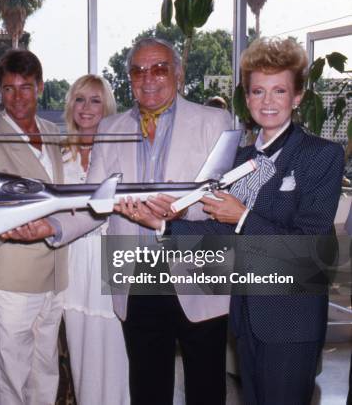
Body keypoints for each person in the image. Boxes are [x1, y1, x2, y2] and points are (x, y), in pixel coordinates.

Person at [6, 37, 233, 405]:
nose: (148, 79)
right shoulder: (111, 128)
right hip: (137, 280)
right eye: (138, 71)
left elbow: (223, 202)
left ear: (177, 73)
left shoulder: (214, 121)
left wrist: (175, 213)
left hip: (199, 274)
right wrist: (53, 227)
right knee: (146, 390)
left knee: (206, 390)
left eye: (159, 68)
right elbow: (96, 202)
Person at [130, 37, 344, 405]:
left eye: (279, 91)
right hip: (246, 320)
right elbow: (220, 230)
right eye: (258, 91)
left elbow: (312, 252)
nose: (268, 101)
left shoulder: (321, 155)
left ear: (297, 97)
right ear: (247, 99)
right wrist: (164, 226)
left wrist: (243, 217)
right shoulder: (240, 158)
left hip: (290, 323)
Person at [0, 49, 67, 405]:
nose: (18, 98)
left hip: (57, 272)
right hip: (13, 274)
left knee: (46, 369)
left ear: (41, 87)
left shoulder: (54, 132)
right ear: (1, 92)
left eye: (26, 88)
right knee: (12, 374)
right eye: (9, 89)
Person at [59, 74, 129, 405]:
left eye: (95, 100)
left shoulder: (124, 150)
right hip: (74, 264)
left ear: (108, 107)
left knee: (117, 349)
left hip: (112, 258)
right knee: (81, 346)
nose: (86, 108)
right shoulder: (58, 155)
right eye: (80, 99)